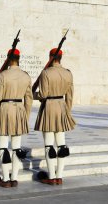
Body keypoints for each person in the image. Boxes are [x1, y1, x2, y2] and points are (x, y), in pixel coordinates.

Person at [0, 49, 33, 188]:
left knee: (3, 146)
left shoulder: (3, 75)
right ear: (19, 58)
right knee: (16, 147)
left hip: (5, 109)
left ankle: (5, 178)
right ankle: (14, 178)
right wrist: (25, 115)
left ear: (8, 59)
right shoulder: (26, 76)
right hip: (19, 109)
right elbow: (29, 99)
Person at [34, 48, 75, 185]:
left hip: (50, 106)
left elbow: (43, 94)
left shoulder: (46, 73)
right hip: (62, 106)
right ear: (61, 57)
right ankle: (59, 176)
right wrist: (66, 112)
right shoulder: (68, 73)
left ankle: (51, 177)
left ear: (50, 57)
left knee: (49, 145)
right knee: (61, 144)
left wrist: (33, 95)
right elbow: (69, 96)